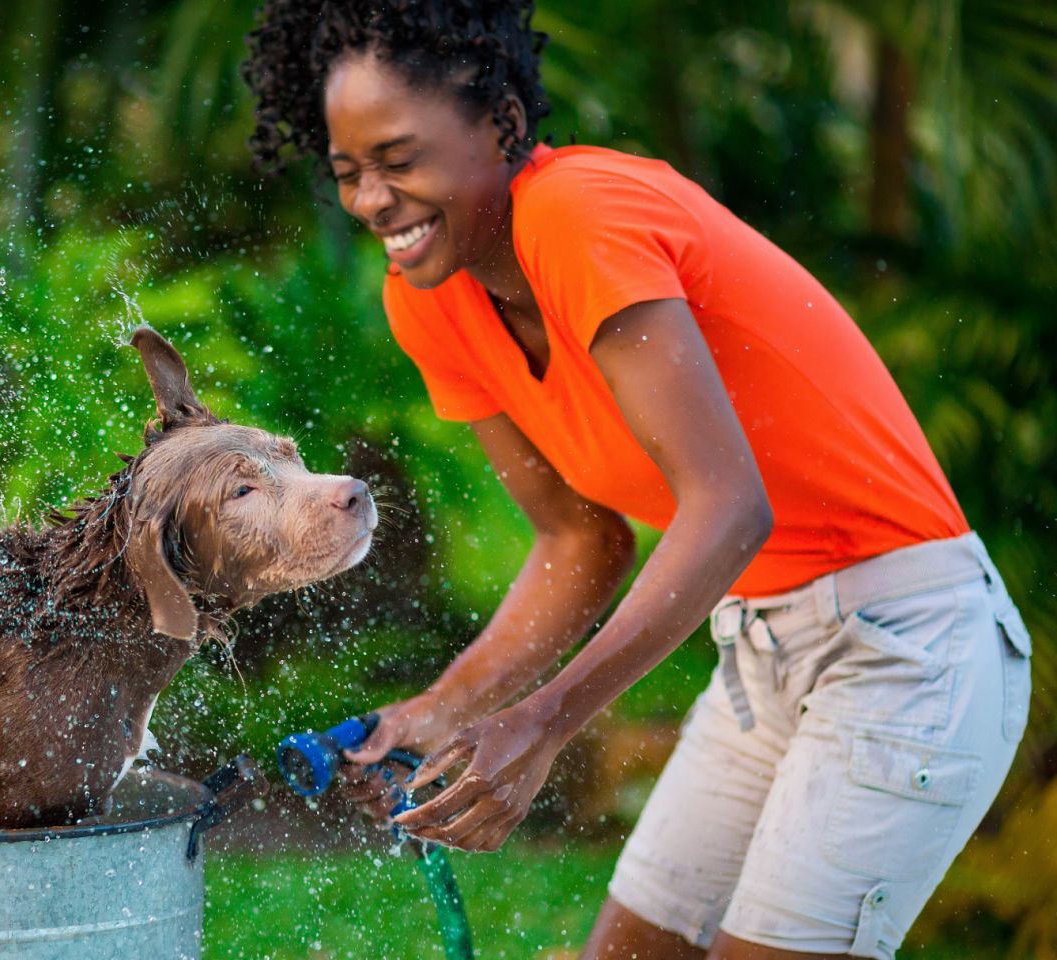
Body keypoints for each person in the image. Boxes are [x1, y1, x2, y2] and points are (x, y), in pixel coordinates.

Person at [241, 3, 1031, 958]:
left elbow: (731, 507)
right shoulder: (432, 303)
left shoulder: (580, 214)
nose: (372, 199)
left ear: (500, 126)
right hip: (761, 655)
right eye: (349, 173)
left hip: (905, 647)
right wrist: (437, 711)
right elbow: (581, 539)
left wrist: (542, 725)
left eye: (399, 160)